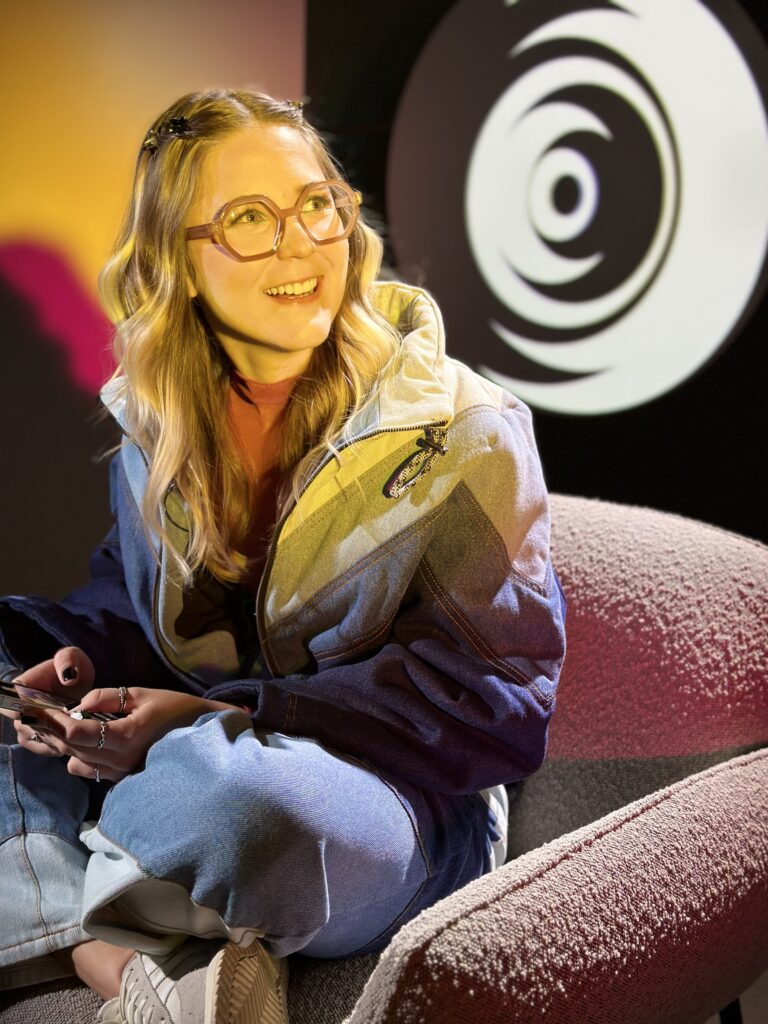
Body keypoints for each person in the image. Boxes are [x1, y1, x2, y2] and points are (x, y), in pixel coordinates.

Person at [0, 89, 566, 1024]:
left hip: (383, 809)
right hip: (188, 772)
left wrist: (218, 717)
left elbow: (499, 713)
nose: (301, 244)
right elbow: (134, 597)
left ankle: (70, 916)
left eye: (316, 205)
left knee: (241, 805)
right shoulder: (157, 419)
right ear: (177, 263)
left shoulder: (465, 431)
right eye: (250, 219)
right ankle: (133, 954)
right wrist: (75, 663)